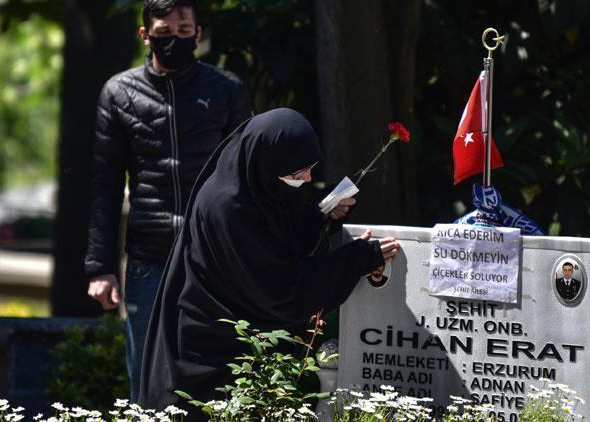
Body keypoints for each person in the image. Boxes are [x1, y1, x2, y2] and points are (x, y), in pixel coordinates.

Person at [138, 108, 400, 415]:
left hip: (235, 347)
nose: (307, 178)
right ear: (266, 162)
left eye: (310, 168)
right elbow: (279, 290)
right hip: (208, 353)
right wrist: (358, 258)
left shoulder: (255, 184)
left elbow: (275, 241)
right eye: (296, 174)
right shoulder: (228, 209)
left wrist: (319, 217)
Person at [84, 0, 252, 402]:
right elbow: (106, 187)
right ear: (145, 35)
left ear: (197, 34)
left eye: (183, 30)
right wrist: (99, 268)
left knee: (218, 378)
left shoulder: (227, 91)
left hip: (212, 259)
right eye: (164, 32)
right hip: (149, 259)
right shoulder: (119, 93)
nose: (174, 39)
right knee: (145, 379)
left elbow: (247, 180)